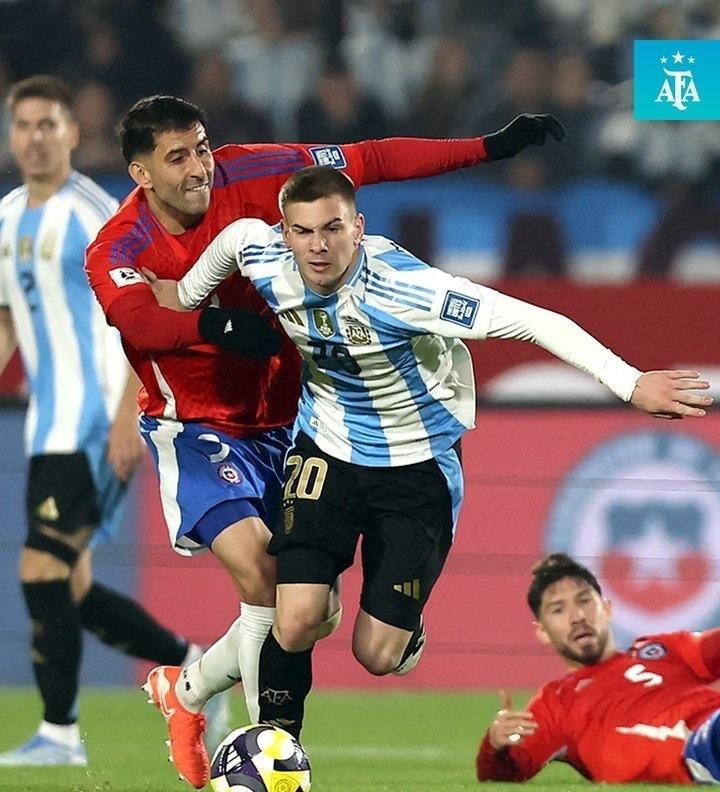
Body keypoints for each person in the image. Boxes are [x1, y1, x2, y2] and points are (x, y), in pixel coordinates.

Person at [85, 94, 566, 788]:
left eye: (202, 148)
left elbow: (370, 159)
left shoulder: (256, 172)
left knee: (313, 613)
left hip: (297, 423)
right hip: (196, 427)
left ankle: (186, 691)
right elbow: (140, 321)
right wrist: (215, 327)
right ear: (140, 173)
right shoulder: (118, 245)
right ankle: (271, 761)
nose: (198, 168)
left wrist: (487, 147)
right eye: (177, 157)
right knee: (264, 576)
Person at [149, 165, 711, 751]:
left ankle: (401, 631)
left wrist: (628, 382)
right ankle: (277, 759)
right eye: (304, 231)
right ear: (284, 233)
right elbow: (230, 245)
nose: (318, 246)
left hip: (417, 467)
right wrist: (183, 297)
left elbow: (534, 321)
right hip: (326, 450)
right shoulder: (260, 251)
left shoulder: (408, 290)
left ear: (358, 228)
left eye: (333, 229)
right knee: (294, 618)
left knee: (377, 654)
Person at [0, 75, 213, 768]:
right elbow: (8, 319)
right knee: (73, 587)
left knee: (42, 570)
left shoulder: (96, 213)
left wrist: (129, 412)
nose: (35, 137)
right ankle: (197, 672)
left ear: (72, 131)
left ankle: (59, 735)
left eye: (48, 124)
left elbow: (142, 310)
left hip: (95, 423)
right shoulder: (6, 218)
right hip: (47, 428)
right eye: (23, 125)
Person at [476, 553, 720, 784]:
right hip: (699, 748)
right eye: (558, 609)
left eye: (584, 601)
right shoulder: (557, 702)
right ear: (542, 631)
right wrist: (495, 746)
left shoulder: (664, 648)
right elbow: (506, 773)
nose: (578, 616)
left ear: (607, 608)